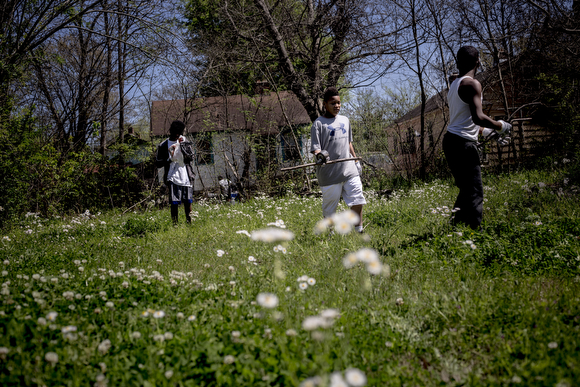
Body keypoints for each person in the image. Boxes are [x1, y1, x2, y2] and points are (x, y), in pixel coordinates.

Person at [443, 46, 512, 229]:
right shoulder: (472, 84)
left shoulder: (454, 85)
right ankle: (476, 232)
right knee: (474, 191)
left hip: (451, 141)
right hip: (463, 145)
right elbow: (477, 117)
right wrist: (500, 126)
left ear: (458, 62)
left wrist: (486, 131)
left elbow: (465, 120)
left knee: (466, 189)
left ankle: (455, 227)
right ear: (478, 62)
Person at [311, 87, 366, 233]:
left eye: (339, 103)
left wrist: (355, 161)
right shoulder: (318, 123)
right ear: (325, 104)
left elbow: (348, 143)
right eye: (333, 103)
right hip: (329, 173)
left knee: (357, 198)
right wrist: (320, 157)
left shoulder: (345, 120)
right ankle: (330, 235)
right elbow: (316, 148)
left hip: (348, 169)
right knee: (330, 208)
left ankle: (359, 230)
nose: (337, 106)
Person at [156, 120, 195, 224]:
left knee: (188, 201)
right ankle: (175, 224)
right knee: (174, 202)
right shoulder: (164, 145)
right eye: (175, 134)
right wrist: (169, 159)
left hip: (186, 176)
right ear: (170, 131)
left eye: (178, 134)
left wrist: (183, 147)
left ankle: (189, 222)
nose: (176, 136)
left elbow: (191, 157)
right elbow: (157, 163)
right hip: (172, 176)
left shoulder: (185, 141)